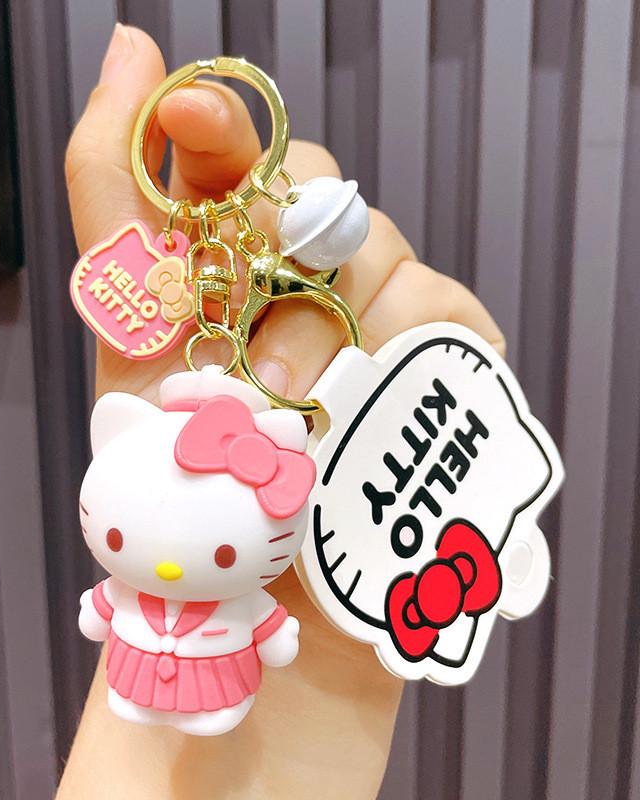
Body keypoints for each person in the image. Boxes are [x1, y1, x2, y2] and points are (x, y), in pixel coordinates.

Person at [57, 24, 505, 800]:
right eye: (122, 537)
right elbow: (110, 606)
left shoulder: (247, 582)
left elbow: (267, 628)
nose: (171, 566)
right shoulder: (141, 558)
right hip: (145, 682)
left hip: (237, 687)